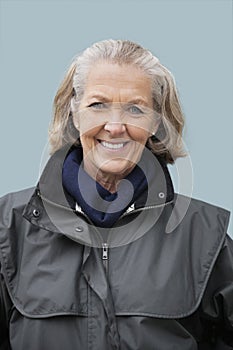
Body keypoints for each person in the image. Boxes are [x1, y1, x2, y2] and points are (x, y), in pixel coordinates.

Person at [0, 39, 232, 350]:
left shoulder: (204, 236)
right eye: (98, 105)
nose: (115, 126)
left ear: (156, 122)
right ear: (73, 113)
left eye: (135, 108)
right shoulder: (8, 227)